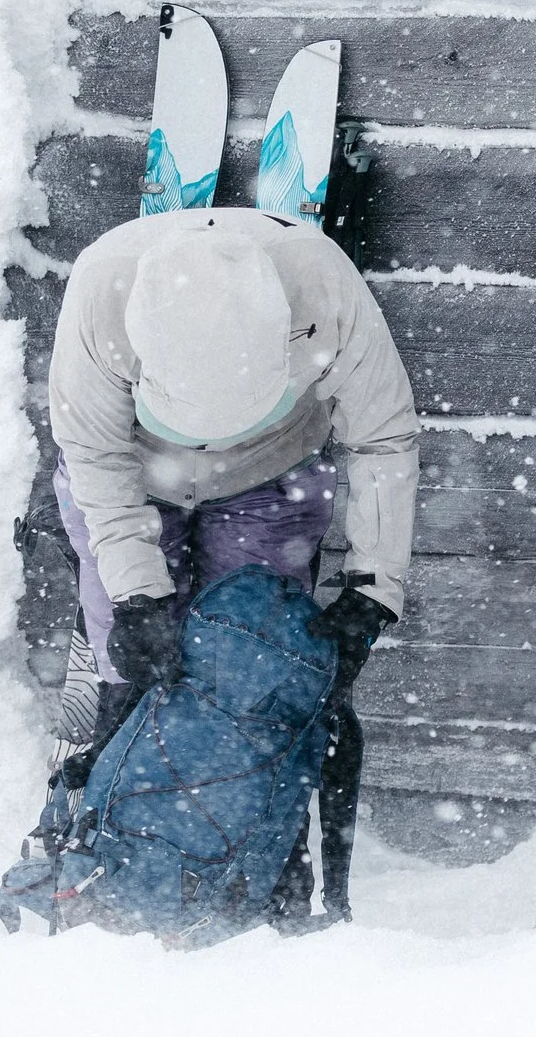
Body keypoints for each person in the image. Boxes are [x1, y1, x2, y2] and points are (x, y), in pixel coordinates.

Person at [46, 209, 418, 755]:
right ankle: (116, 745)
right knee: (131, 670)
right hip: (137, 472)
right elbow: (94, 453)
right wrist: (136, 597)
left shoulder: (323, 285)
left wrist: (372, 589)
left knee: (250, 668)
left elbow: (381, 439)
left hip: (272, 472)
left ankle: (232, 782)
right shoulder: (103, 289)